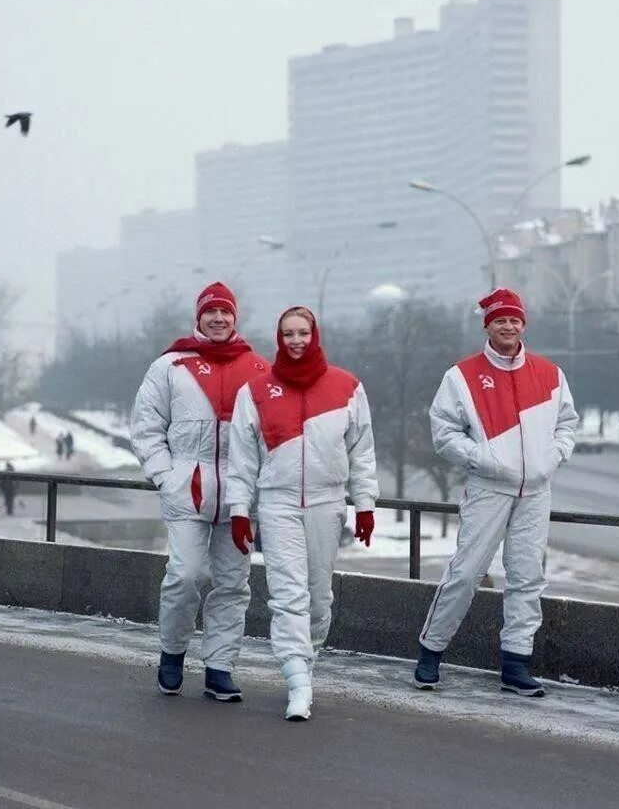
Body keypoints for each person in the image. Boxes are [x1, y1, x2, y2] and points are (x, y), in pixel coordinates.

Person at [414, 288, 578, 697]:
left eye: (515, 320)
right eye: (500, 320)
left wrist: (552, 457)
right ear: (487, 325)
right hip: (488, 488)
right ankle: (431, 652)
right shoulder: (462, 376)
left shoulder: (549, 373)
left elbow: (567, 423)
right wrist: (482, 459)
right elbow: (444, 431)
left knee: (527, 577)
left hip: (536, 491)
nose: (508, 326)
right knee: (466, 572)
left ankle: (516, 662)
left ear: (523, 324)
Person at [225, 306, 378, 721]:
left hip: (328, 504)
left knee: (318, 598)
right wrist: (240, 509)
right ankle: (297, 680)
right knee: (288, 596)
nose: (296, 341)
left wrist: (364, 505)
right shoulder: (255, 392)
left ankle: (304, 664)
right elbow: (241, 460)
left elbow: (361, 452)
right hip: (277, 503)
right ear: (279, 338)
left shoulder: (347, 387)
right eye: (288, 334)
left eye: (303, 333)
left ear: (315, 336)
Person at [130, 282, 269, 700]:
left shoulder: (259, 369)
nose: (219, 319)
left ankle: (219, 667)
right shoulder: (170, 366)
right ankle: (172, 654)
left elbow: (270, 435)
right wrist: (164, 474)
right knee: (186, 574)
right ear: (199, 317)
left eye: (225, 312)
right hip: (186, 490)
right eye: (211, 312)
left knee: (233, 583)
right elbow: (145, 424)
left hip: (241, 496)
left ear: (235, 317)